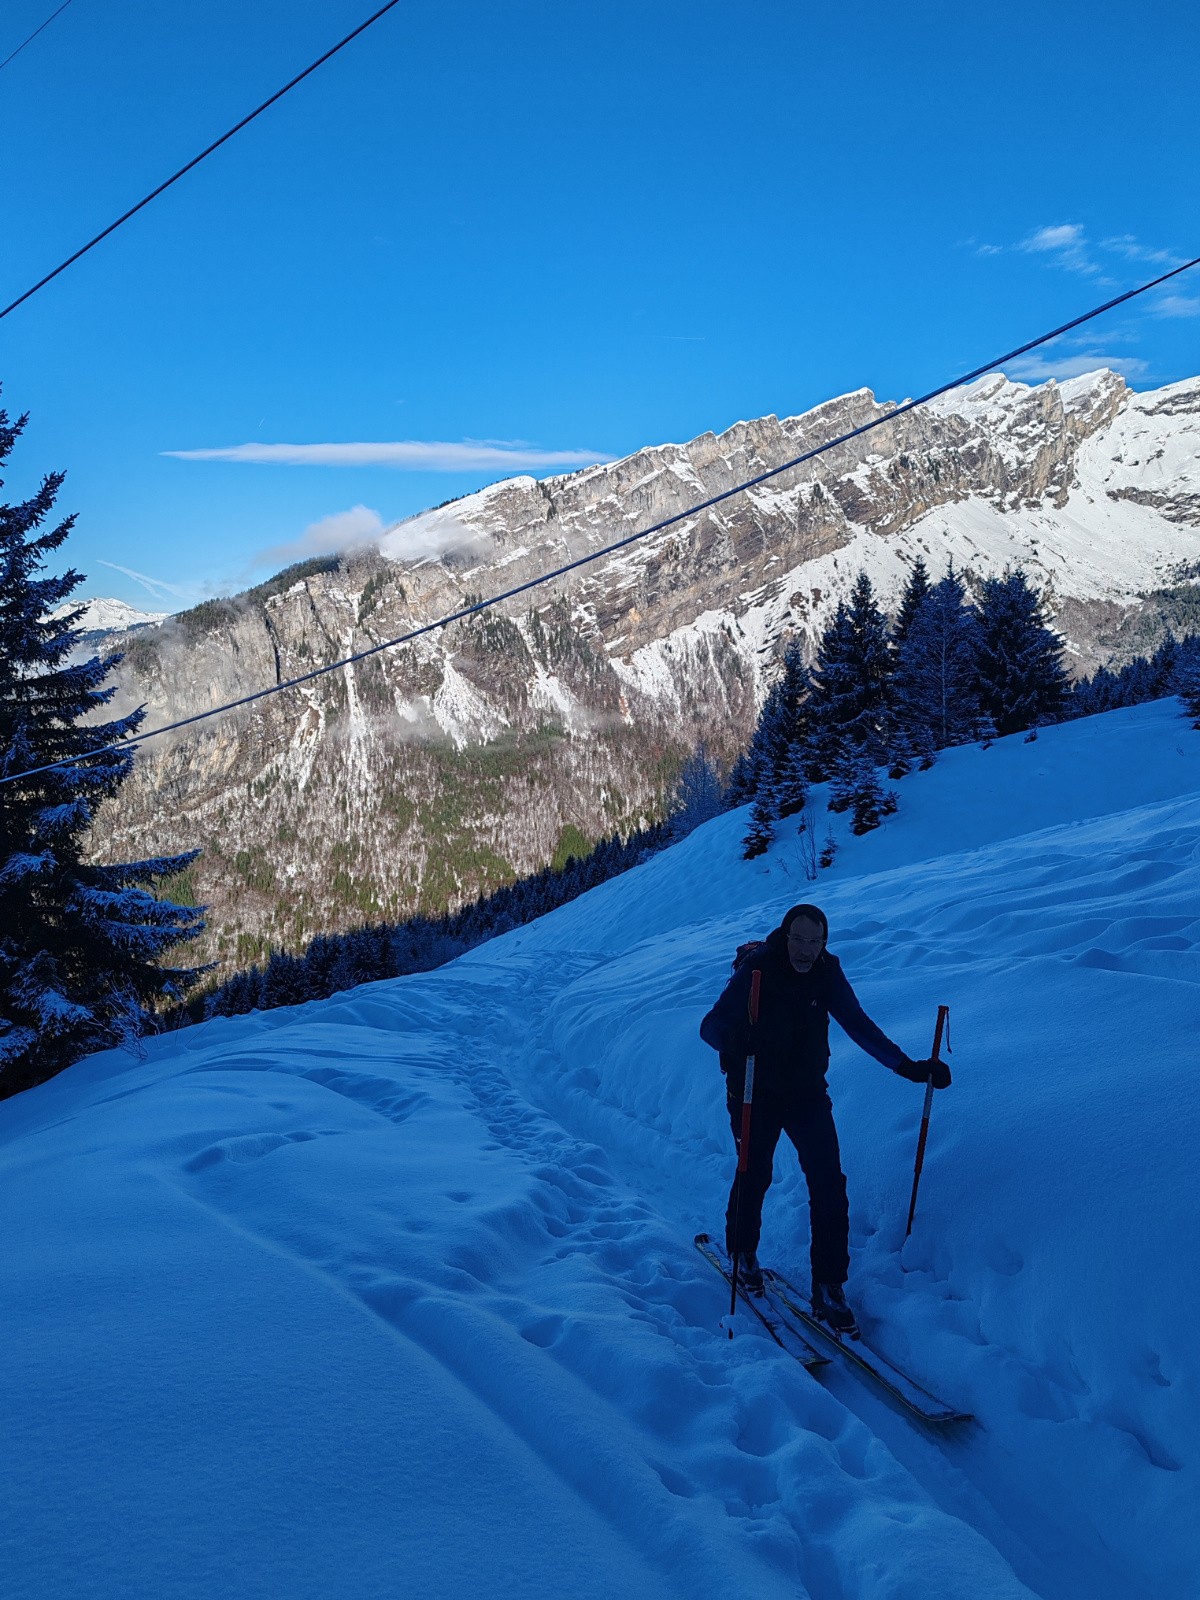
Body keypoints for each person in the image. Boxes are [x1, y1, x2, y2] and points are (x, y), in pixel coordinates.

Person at [699, 901, 950, 1334]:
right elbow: (711, 1025)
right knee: (753, 1173)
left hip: (806, 1092)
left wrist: (907, 1067)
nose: (806, 950)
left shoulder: (826, 972)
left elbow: (858, 1023)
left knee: (829, 1183)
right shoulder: (758, 969)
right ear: (785, 937)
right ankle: (742, 1252)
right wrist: (737, 1040)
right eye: (798, 939)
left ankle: (829, 1284)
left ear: (824, 943)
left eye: (815, 941)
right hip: (755, 1091)